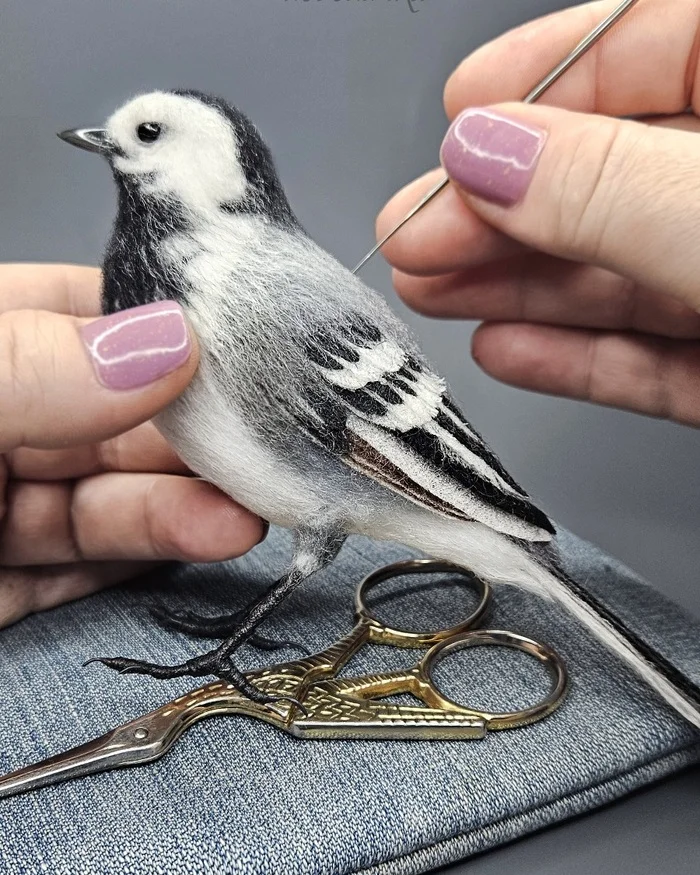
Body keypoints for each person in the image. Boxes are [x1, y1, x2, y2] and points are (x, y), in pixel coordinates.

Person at [1, 0, 699, 631]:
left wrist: (496, 514)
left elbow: (392, 439)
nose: (111, 138)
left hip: (416, 483)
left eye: (148, 132)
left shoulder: (249, 286)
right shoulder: (197, 268)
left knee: (317, 542)